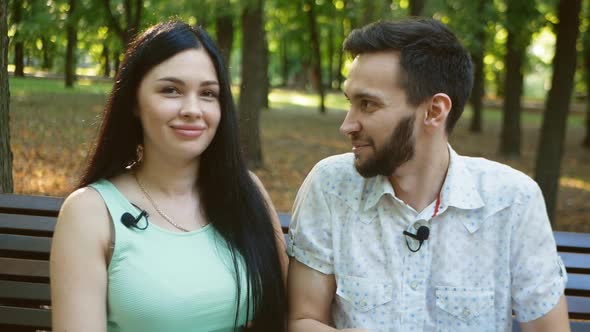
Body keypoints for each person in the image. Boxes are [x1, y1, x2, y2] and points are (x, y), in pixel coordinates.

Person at [287, 19, 569, 332]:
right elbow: (303, 320)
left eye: (367, 104)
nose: (347, 125)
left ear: (434, 111)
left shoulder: (511, 201)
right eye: (350, 102)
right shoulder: (332, 187)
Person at [50, 21, 288, 332]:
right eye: (171, 90)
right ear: (134, 101)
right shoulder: (89, 212)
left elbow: (287, 309)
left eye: (208, 94)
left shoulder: (246, 191)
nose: (192, 109)